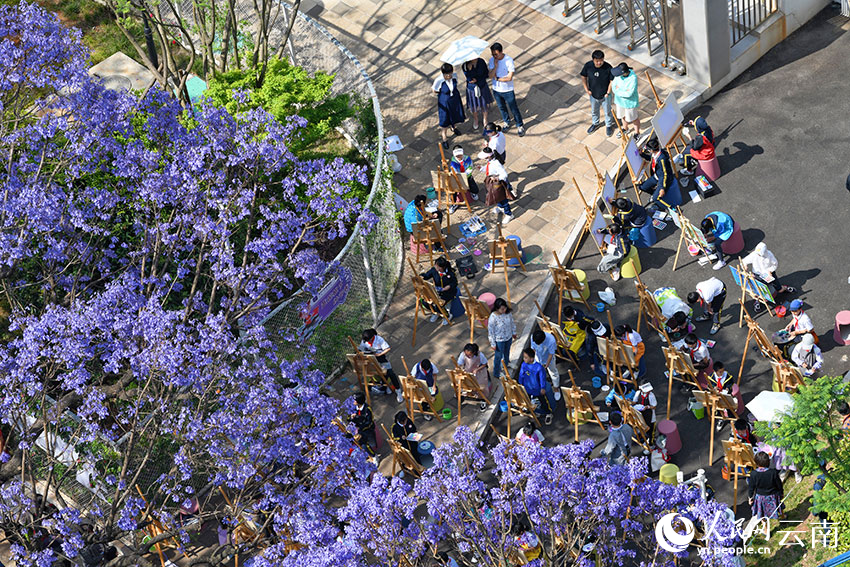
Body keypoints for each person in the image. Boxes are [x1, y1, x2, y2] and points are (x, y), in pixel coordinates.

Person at [742, 243, 796, 312]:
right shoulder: (754, 254)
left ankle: (784, 287)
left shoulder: (769, 255)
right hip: (757, 275)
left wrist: (770, 271)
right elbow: (743, 261)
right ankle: (757, 301)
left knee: (778, 289)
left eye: (760, 254)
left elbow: (775, 264)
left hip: (768, 274)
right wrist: (744, 266)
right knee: (758, 290)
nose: (758, 255)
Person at [488, 43, 524, 136]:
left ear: (501, 52)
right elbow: (490, 76)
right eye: (493, 54)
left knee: (513, 108)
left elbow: (509, 78)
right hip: (496, 89)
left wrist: (498, 79)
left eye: (496, 54)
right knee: (501, 107)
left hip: (507, 90)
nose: (494, 56)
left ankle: (519, 125)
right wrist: (495, 66)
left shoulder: (508, 60)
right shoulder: (492, 60)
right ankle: (506, 122)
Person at [359, 328, 404, 403]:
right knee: (376, 373)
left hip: (380, 358)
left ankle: (398, 390)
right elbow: (361, 349)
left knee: (390, 373)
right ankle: (385, 385)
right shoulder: (364, 341)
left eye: (369, 340)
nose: (368, 342)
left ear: (372, 337)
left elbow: (388, 348)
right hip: (370, 358)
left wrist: (379, 354)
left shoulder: (379, 339)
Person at [638, 138, 681, 211]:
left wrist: (662, 188)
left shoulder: (662, 159)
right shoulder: (656, 154)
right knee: (642, 187)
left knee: (656, 198)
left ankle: (670, 208)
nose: (648, 151)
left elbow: (664, 175)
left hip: (664, 179)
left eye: (648, 149)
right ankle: (655, 193)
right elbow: (651, 159)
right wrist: (642, 155)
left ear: (652, 150)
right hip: (657, 176)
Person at [580, 50, 614, 136]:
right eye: (597, 61)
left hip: (605, 95)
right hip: (593, 95)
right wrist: (586, 89)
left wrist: (608, 92)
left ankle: (609, 125)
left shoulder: (608, 67)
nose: (599, 63)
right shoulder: (588, 66)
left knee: (607, 111)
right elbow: (583, 76)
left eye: (601, 60)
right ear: (593, 60)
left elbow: (612, 80)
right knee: (594, 111)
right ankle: (595, 124)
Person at [518, 348, 555, 425]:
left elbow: (542, 378)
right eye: (524, 357)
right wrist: (520, 384)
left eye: (526, 357)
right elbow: (521, 375)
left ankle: (548, 413)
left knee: (543, 402)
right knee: (527, 400)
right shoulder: (523, 365)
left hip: (537, 390)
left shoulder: (539, 367)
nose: (524, 359)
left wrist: (542, 388)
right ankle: (531, 410)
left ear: (531, 359)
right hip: (527, 388)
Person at [420, 257, 462, 324]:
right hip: (437, 291)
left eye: (437, 266)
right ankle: (435, 312)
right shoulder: (434, 270)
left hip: (448, 293)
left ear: (441, 268)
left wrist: (449, 286)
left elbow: (455, 283)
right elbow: (427, 275)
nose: (435, 266)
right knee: (425, 302)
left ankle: (447, 316)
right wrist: (421, 276)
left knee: (438, 304)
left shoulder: (450, 273)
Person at [433, 62, 465, 149]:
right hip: (444, 101)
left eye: (450, 74)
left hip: (454, 98)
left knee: (454, 114)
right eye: (447, 75)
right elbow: (435, 90)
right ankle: (444, 138)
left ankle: (454, 127)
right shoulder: (439, 80)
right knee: (445, 119)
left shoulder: (454, 76)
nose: (449, 76)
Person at [479, 147, 515, 226]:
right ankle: (500, 207)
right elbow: (489, 168)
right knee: (496, 197)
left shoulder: (496, 163)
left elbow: (504, 174)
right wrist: (482, 169)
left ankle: (509, 214)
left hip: (499, 184)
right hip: (493, 183)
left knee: (503, 200)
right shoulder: (491, 161)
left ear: (488, 156)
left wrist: (496, 178)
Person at [748, 451, 784, 519]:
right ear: (768, 461)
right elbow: (779, 484)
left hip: (761, 497)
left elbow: (751, 487)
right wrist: (781, 492)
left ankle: (765, 528)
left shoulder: (753, 474)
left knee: (762, 513)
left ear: (757, 463)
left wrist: (750, 497)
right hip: (773, 495)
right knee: (779, 506)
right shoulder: (773, 472)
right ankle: (783, 516)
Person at [488, 298, 516, 381]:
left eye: (505, 308)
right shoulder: (493, 317)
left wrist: (513, 332)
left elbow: (512, 323)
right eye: (502, 309)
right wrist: (492, 343)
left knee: (507, 352)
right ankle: (497, 372)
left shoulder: (508, 313)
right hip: (499, 340)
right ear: (497, 309)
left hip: (508, 337)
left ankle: (506, 364)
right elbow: (491, 331)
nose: (504, 310)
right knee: (498, 356)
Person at [462, 57, 492, 130]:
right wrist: (469, 69)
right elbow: (469, 79)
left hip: (482, 85)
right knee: (474, 105)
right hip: (472, 88)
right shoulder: (465, 66)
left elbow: (486, 74)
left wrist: (478, 79)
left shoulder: (481, 61)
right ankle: (476, 119)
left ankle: (485, 119)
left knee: (484, 104)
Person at [457, 343, 490, 409]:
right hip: (468, 371)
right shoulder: (463, 355)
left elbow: (485, 364)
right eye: (466, 354)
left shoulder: (480, 355)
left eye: (469, 355)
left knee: (481, 386)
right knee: (466, 384)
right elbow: (459, 364)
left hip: (479, 371)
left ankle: (483, 399)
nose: (467, 355)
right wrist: (460, 368)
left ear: (474, 353)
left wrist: (477, 369)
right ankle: (465, 394)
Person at [610, 62, 640, 138]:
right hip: (619, 102)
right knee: (622, 116)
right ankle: (625, 128)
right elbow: (614, 86)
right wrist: (622, 91)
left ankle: (637, 133)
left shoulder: (633, 78)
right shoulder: (618, 76)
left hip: (630, 103)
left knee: (634, 118)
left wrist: (618, 91)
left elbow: (629, 93)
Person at [531, 329, 561, 401]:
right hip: (538, 357)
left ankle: (556, 388)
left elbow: (551, 354)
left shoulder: (551, 340)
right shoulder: (533, 337)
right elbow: (533, 349)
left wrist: (546, 365)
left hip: (548, 358)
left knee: (553, 372)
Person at [710, 361, 734, 432]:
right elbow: (709, 385)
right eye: (720, 372)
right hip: (717, 396)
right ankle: (721, 419)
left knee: (729, 407)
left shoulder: (727, 375)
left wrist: (727, 388)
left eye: (723, 371)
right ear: (715, 371)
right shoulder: (711, 377)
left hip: (726, 394)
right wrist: (714, 388)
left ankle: (732, 420)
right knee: (718, 408)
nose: (722, 373)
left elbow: (731, 382)